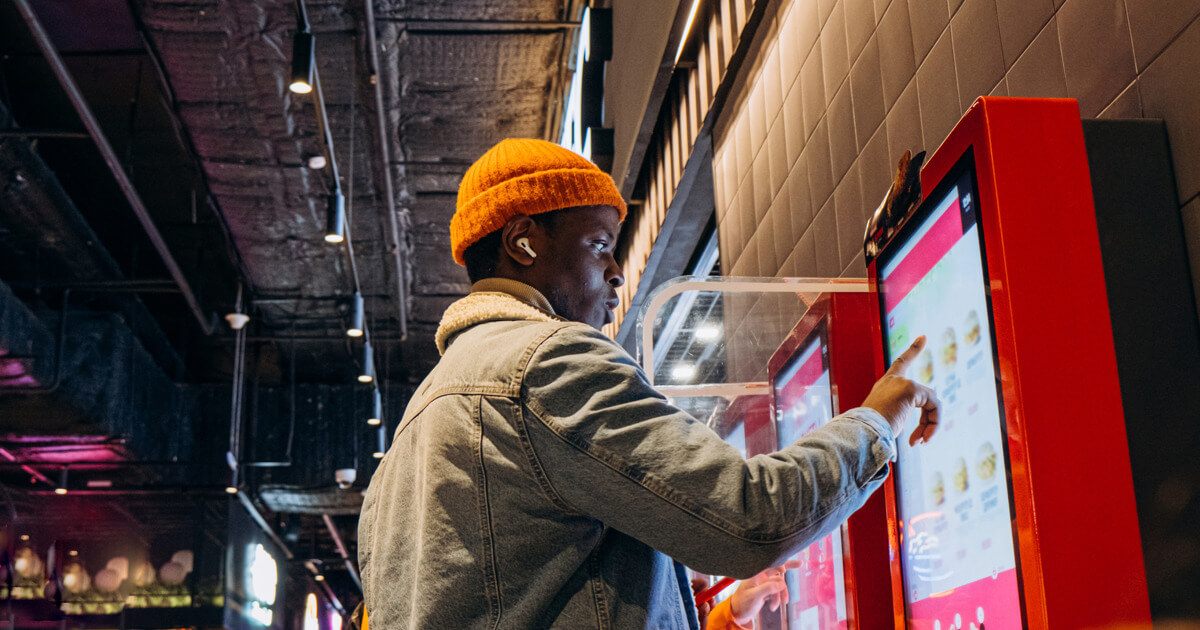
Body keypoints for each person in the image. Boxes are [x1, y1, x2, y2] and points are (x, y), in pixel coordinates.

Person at [357, 138, 939, 629]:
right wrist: (878, 421)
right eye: (600, 245)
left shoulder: (413, 431)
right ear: (523, 242)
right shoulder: (546, 364)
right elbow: (749, 517)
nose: (616, 273)